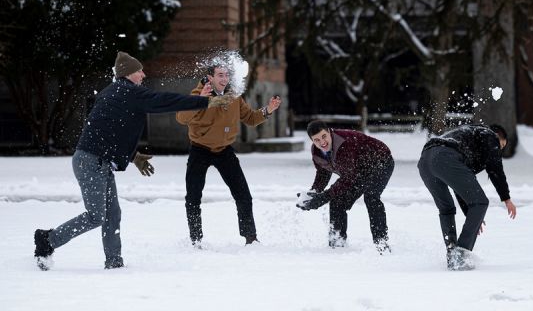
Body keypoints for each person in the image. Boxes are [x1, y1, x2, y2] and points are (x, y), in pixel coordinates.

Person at [33, 51, 232, 270]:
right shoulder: (128, 92)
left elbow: (110, 131)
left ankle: (114, 262)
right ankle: (48, 240)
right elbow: (163, 100)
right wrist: (204, 102)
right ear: (128, 74)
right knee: (96, 216)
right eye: (139, 71)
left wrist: (133, 156)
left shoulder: (115, 92)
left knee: (112, 215)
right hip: (91, 162)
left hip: (98, 161)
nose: (143, 74)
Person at [175, 63, 281, 247]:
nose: (224, 79)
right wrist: (199, 100)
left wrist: (268, 110)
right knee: (193, 197)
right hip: (200, 149)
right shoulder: (198, 95)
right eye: (220, 75)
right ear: (210, 78)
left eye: (226, 75)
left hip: (224, 151)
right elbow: (181, 118)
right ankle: (196, 240)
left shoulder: (233, 97)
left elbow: (251, 118)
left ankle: (251, 238)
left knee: (243, 195)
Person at [417, 124, 517, 271]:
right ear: (498, 137)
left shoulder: (469, 137)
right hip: (444, 157)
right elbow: (495, 169)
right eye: (501, 146)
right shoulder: (489, 135)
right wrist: (506, 199)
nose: (498, 151)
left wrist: (472, 216)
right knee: (481, 202)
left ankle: (452, 254)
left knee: (446, 209)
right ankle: (460, 256)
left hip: (425, 161)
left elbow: (461, 187)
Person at [297, 120, 394, 253]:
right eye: (317, 140)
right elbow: (323, 174)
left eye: (324, 136)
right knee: (337, 202)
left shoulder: (344, 143)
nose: (322, 142)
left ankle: (381, 243)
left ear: (330, 132)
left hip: (380, 162)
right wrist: (313, 193)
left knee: (371, 197)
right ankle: (337, 244)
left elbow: (348, 179)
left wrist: (323, 197)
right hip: (358, 170)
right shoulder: (317, 152)